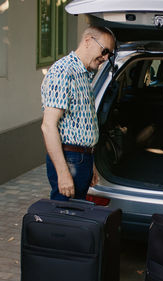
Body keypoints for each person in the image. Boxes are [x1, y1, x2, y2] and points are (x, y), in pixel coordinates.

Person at [40, 26, 115, 200]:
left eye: (109, 54)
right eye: (104, 51)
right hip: (70, 159)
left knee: (74, 218)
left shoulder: (82, 74)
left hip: (81, 158)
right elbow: (48, 126)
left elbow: (81, 125)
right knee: (64, 219)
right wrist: (63, 173)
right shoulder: (63, 72)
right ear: (88, 41)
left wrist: (90, 163)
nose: (105, 58)